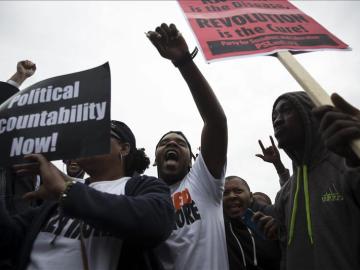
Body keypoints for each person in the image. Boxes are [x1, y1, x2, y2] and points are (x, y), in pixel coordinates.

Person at [0, 120, 174, 270]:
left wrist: (66, 191)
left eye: (100, 132)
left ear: (124, 148)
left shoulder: (141, 186)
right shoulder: (54, 201)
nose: (88, 138)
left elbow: (156, 221)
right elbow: (6, 240)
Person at [147, 23, 229, 270]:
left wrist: (184, 62)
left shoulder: (203, 182)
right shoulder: (143, 198)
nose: (172, 143)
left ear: (194, 160)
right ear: (154, 159)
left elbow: (216, 122)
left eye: (180, 143)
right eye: (164, 142)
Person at [259, 91, 360, 270]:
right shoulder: (284, 194)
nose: (277, 120)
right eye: (274, 116)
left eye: (286, 110)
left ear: (311, 115)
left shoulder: (349, 165)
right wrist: (280, 228)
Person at [223, 176, 281, 270]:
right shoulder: (218, 227)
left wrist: (282, 231)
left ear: (250, 197)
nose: (231, 196)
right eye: (225, 193)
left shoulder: (272, 214)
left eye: (238, 191)